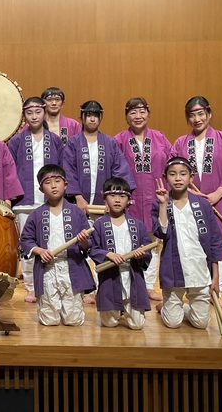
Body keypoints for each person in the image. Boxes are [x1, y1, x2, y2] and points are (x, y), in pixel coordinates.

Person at [170, 96, 222, 309]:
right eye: (192, 115)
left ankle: (215, 291)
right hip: (189, 202)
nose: (197, 119)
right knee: (193, 244)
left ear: (209, 114)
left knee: (219, 246)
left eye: (201, 113)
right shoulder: (181, 143)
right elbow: (173, 170)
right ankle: (194, 290)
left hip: (219, 201)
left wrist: (217, 195)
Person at [152, 157, 222, 329]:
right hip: (174, 270)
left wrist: (215, 277)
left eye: (183, 174)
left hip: (199, 269)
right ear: (165, 177)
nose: (178, 178)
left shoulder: (203, 205)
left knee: (201, 324)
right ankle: (168, 306)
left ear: (191, 178)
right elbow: (162, 233)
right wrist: (163, 205)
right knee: (172, 323)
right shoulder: (159, 204)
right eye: (173, 174)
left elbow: (215, 241)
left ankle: (177, 307)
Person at [19, 164, 95, 326]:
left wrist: (83, 241)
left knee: (73, 321)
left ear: (65, 184)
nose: (53, 186)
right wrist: (39, 250)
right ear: (41, 189)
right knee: (49, 320)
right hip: (47, 269)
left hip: (71, 268)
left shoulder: (76, 213)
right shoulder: (36, 214)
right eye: (48, 182)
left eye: (57, 181)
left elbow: (89, 245)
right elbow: (25, 240)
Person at [114, 97, 172, 301]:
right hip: (130, 199)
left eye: (142, 111)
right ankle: (124, 285)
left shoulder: (160, 138)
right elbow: (113, 171)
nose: (138, 116)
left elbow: (171, 166)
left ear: (148, 113)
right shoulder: (119, 140)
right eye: (133, 112)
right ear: (126, 116)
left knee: (154, 243)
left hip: (155, 196)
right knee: (127, 242)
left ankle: (148, 286)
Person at [8, 97, 64, 303]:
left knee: (50, 242)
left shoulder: (55, 140)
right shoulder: (16, 141)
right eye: (29, 113)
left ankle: (51, 284)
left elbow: (61, 170)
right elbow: (10, 171)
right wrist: (9, 197)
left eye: (37, 112)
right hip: (25, 201)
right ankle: (31, 287)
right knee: (28, 245)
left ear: (44, 113)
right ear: (24, 115)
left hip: (49, 201)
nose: (34, 116)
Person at [89, 177, 152, 330]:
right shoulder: (99, 225)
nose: (117, 200)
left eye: (122, 196)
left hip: (132, 275)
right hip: (110, 276)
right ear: (104, 198)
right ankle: (117, 308)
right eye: (112, 195)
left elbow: (147, 248)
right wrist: (107, 254)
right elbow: (92, 248)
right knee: (109, 324)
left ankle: (128, 308)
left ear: (129, 199)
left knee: (137, 325)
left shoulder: (138, 225)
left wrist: (141, 254)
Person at [63, 100, 136, 215]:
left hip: (105, 205)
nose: (92, 119)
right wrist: (78, 197)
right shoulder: (73, 143)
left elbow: (120, 172)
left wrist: (112, 199)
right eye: (88, 115)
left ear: (101, 117)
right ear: (81, 117)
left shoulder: (109, 142)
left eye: (96, 116)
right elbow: (68, 171)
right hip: (78, 203)